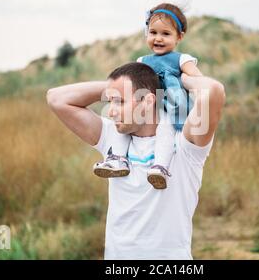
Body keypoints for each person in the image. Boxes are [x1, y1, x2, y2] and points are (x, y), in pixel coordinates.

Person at [47, 62, 225, 259]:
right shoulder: (112, 138)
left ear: (148, 101)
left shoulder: (184, 144)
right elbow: (56, 98)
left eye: (120, 102)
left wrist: (172, 81)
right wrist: (114, 88)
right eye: (110, 101)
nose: (111, 111)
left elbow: (214, 91)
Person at [93, 3, 203, 190]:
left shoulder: (182, 59)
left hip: (169, 106)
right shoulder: (142, 61)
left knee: (166, 131)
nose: (158, 39)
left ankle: (160, 167)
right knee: (124, 127)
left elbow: (199, 80)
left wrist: (187, 84)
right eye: (153, 33)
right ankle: (118, 159)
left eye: (165, 34)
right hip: (147, 106)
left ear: (179, 37)